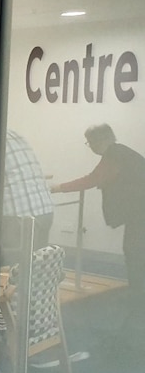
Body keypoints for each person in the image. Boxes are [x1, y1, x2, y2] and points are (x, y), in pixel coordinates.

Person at [51, 123, 145, 309]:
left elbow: (93, 179)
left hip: (139, 213)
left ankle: (137, 297)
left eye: (90, 142)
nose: (90, 146)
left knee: (134, 252)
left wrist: (59, 188)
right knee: (135, 251)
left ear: (100, 140)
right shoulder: (123, 152)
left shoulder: (114, 155)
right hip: (138, 212)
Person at [0, 130, 54, 264]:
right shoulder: (13, 135)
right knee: (37, 264)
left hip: (18, 213)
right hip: (43, 207)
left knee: (16, 265)